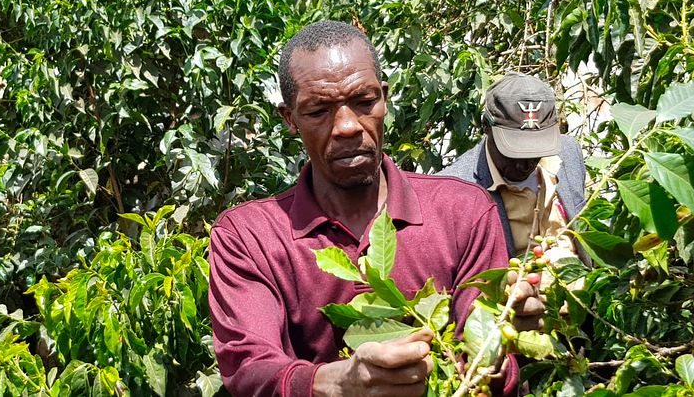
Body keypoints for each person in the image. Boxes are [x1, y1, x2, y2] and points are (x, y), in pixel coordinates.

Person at [208, 20, 539, 397]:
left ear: (384, 98)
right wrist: (335, 382)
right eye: (318, 111)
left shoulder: (464, 212)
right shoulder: (248, 236)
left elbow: (488, 360)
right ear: (290, 119)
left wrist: (506, 346)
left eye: (364, 102)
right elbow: (249, 369)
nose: (347, 126)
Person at [439, 73, 589, 265]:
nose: (524, 164)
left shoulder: (569, 152)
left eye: (536, 151)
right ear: (486, 126)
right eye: (513, 152)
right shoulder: (454, 189)